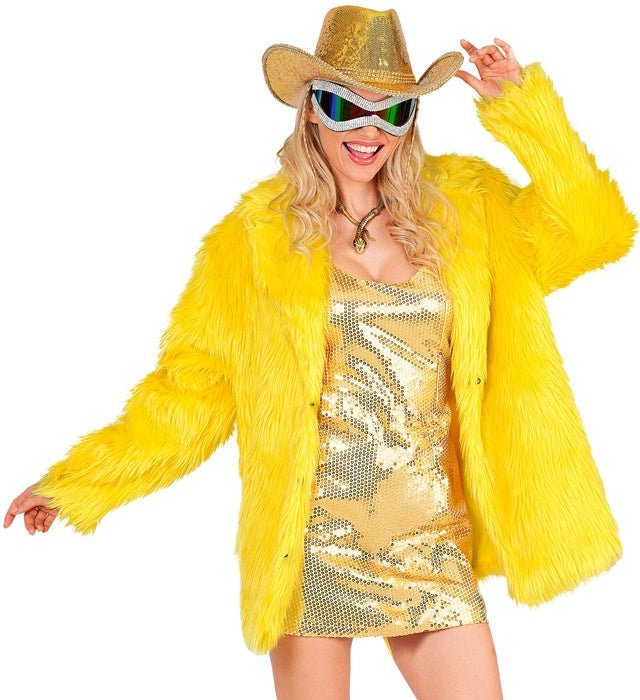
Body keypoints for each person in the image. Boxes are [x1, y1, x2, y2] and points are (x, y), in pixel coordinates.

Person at [4, 5, 636, 699]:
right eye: (344, 106)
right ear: (311, 109)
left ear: (411, 119)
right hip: (309, 545)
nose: (369, 131)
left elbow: (597, 232)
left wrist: (522, 107)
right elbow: (189, 392)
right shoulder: (254, 240)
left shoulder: (468, 209)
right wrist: (78, 482)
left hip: (432, 541)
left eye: (392, 111)